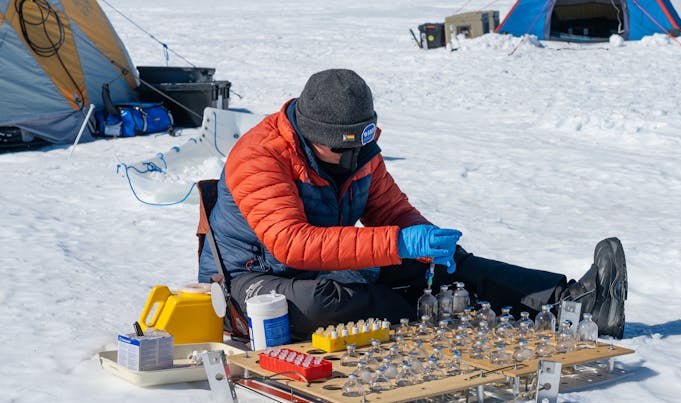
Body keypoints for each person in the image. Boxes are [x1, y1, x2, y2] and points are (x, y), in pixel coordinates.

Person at [198, 69, 627, 340]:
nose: (350, 158)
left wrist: (426, 242)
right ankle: (418, 309)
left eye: (359, 143)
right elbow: (293, 246)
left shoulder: (360, 153)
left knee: (449, 266)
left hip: (325, 264)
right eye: (337, 148)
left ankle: (573, 300)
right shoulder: (262, 155)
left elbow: (391, 213)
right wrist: (398, 245)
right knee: (325, 302)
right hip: (250, 278)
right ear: (311, 134)